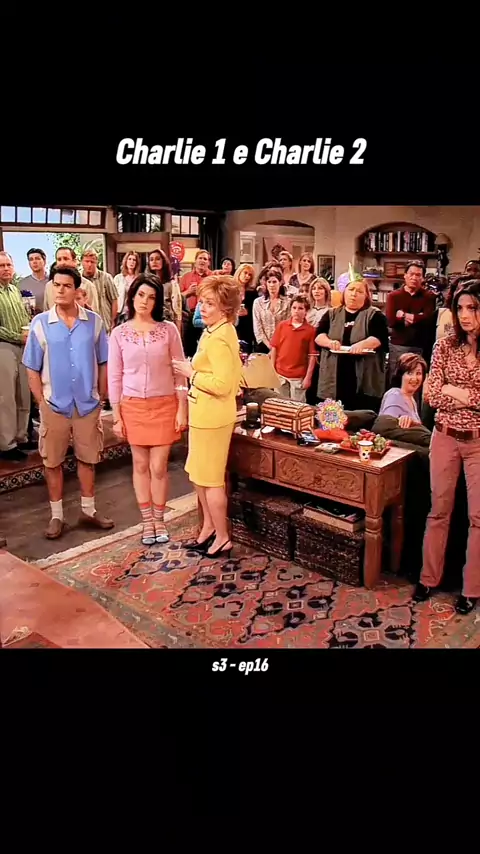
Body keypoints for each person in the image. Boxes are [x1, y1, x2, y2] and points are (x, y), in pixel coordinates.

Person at [22, 265, 114, 539]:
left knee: (88, 458)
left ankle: (88, 511)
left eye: (66, 286)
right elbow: (31, 368)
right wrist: (41, 402)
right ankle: (57, 516)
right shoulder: (40, 324)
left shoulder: (94, 322)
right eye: (56, 285)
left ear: (77, 290)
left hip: (87, 404)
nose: (60, 290)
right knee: (52, 462)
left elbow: (103, 362)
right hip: (54, 405)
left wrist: (101, 396)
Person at [413, 280, 480, 615]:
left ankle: (472, 589)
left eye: (473, 308)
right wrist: (466, 395)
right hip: (444, 436)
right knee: (438, 510)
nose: (465, 315)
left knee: (478, 517)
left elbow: (448, 393)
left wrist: (454, 390)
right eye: (460, 308)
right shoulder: (444, 346)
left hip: (478, 442)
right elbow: (431, 394)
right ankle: (428, 579)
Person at [108, 274, 187, 546]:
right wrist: (116, 416)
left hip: (165, 404)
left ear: (157, 301)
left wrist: (182, 408)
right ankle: (147, 522)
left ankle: (160, 519)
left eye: (151, 297)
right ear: (132, 297)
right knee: (140, 465)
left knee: (158, 466)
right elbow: (114, 377)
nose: (145, 301)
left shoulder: (168, 330)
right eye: (141, 295)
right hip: (132, 406)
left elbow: (180, 372)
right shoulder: (119, 333)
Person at [172, 275, 242, 559]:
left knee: (211, 479)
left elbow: (223, 385)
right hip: (202, 413)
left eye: (210, 303)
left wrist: (191, 373)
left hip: (214, 417)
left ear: (225, 308)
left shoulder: (222, 337)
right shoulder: (212, 331)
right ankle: (208, 527)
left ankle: (222, 537)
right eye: (202, 301)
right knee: (197, 474)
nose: (203, 307)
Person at [315, 274, 389, 411]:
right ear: (344, 293)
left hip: (364, 376)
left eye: (359, 291)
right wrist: (330, 342)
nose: (354, 294)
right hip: (335, 376)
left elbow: (379, 338)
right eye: (351, 290)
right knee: (332, 418)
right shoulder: (331, 314)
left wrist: (361, 345)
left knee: (360, 417)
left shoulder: (375, 315)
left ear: (366, 296)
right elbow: (319, 336)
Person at [0, 251, 31, 461]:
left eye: (8, 265)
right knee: (6, 397)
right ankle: (6, 444)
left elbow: (23, 317)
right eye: (1, 265)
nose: (5, 269)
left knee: (23, 394)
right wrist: (17, 336)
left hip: (22, 346)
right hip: (4, 347)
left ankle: (22, 436)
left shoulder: (14, 290)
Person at [385, 260, 436, 380]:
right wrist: (418, 316)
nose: (414, 278)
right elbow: (391, 321)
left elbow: (428, 321)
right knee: (396, 379)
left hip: (420, 346)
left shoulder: (429, 296)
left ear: (423, 278)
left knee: (417, 381)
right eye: (411, 274)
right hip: (398, 345)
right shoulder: (393, 296)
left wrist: (402, 315)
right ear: (405, 275)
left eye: (418, 275)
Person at [270, 296, 316, 402]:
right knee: (280, 403)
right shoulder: (282, 326)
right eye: (294, 308)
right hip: (280, 373)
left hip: (298, 376)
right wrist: (272, 371)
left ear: (306, 311)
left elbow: (312, 356)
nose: (296, 311)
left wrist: (308, 377)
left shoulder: (310, 331)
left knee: (297, 405)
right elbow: (274, 348)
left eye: (300, 308)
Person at [44, 246, 99, 313]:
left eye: (66, 259)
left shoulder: (88, 286)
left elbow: (94, 314)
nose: (62, 263)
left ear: (74, 261)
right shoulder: (49, 286)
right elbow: (46, 311)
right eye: (59, 259)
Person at [379, 352, 427, 427]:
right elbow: (386, 426)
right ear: (401, 375)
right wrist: (401, 420)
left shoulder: (412, 399)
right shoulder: (394, 395)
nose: (414, 378)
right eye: (410, 373)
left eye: (418, 373)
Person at [252, 268, 291, 353]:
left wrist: (277, 346)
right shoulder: (258, 302)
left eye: (274, 282)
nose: (271, 285)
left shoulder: (288, 302)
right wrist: (270, 346)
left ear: (280, 283)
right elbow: (258, 329)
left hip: (283, 345)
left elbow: (288, 325)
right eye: (269, 282)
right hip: (263, 345)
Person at [81, 248, 118, 334]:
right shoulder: (78, 279)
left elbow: (114, 300)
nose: (89, 264)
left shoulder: (106, 278)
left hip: (104, 325)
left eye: (92, 262)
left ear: (96, 262)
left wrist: (113, 322)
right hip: (84, 325)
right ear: (82, 262)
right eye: (87, 261)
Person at [114, 251, 141, 324]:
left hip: (136, 311)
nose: (132, 262)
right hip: (122, 312)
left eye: (134, 260)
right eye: (129, 259)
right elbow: (114, 297)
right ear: (125, 261)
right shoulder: (118, 278)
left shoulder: (140, 278)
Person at [20, 248, 49, 314]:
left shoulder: (53, 281)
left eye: (37, 258)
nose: (34, 262)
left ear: (44, 261)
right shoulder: (21, 284)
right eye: (31, 259)